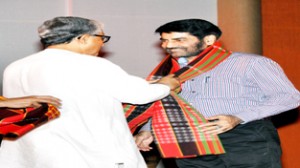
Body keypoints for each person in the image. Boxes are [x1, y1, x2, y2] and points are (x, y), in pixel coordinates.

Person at [0, 16, 180, 168]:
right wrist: (166, 84)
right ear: (83, 38)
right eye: (101, 38)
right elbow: (140, 94)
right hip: (86, 155)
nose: (102, 44)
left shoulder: (16, 67)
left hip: (30, 155)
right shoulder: (91, 64)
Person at [134, 19, 300, 168]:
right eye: (164, 40)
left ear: (208, 40)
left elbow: (289, 97)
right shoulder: (168, 71)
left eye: (179, 40)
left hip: (245, 137)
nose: (168, 46)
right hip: (188, 138)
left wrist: (237, 117)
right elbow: (163, 105)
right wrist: (148, 129)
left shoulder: (250, 63)